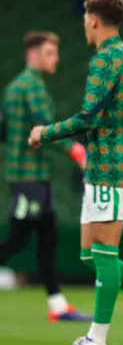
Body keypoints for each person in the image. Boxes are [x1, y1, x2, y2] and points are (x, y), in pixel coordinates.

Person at [28, 0, 123, 345]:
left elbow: (88, 117)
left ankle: (97, 340)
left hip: (111, 169)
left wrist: (44, 132)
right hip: (112, 168)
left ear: (93, 20)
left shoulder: (107, 60)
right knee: (92, 255)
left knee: (104, 254)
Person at [0, 31, 92, 323]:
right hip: (30, 178)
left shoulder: (15, 86)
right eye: (50, 53)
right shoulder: (33, 87)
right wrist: (76, 149)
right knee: (18, 238)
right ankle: (57, 304)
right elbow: (46, 130)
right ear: (34, 54)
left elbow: (5, 131)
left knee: (46, 237)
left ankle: (57, 304)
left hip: (26, 176)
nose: (57, 59)